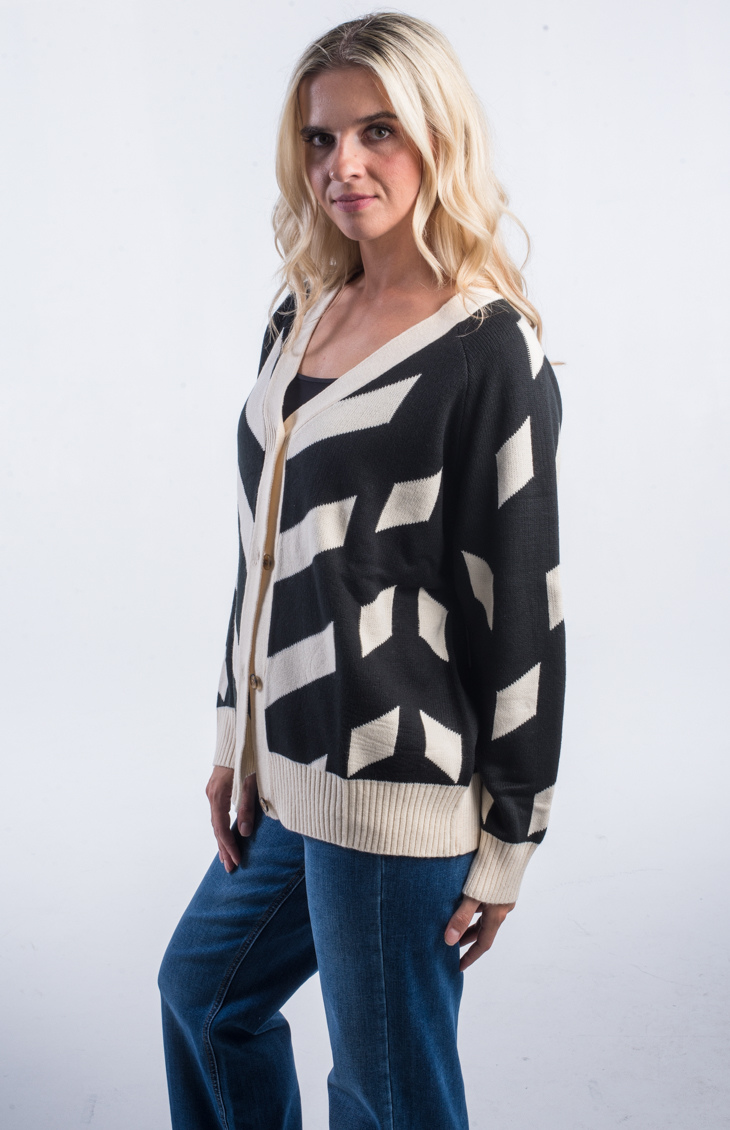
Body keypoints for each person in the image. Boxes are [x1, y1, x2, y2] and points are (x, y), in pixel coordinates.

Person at [158, 12, 566, 1130]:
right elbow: (265, 545)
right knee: (204, 1000)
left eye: (378, 130)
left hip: (400, 788)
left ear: (438, 136)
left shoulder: (488, 350)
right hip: (288, 772)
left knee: (386, 1096)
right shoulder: (300, 312)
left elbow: (523, 608)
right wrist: (236, 733)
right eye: (321, 137)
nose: (344, 163)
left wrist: (510, 839)